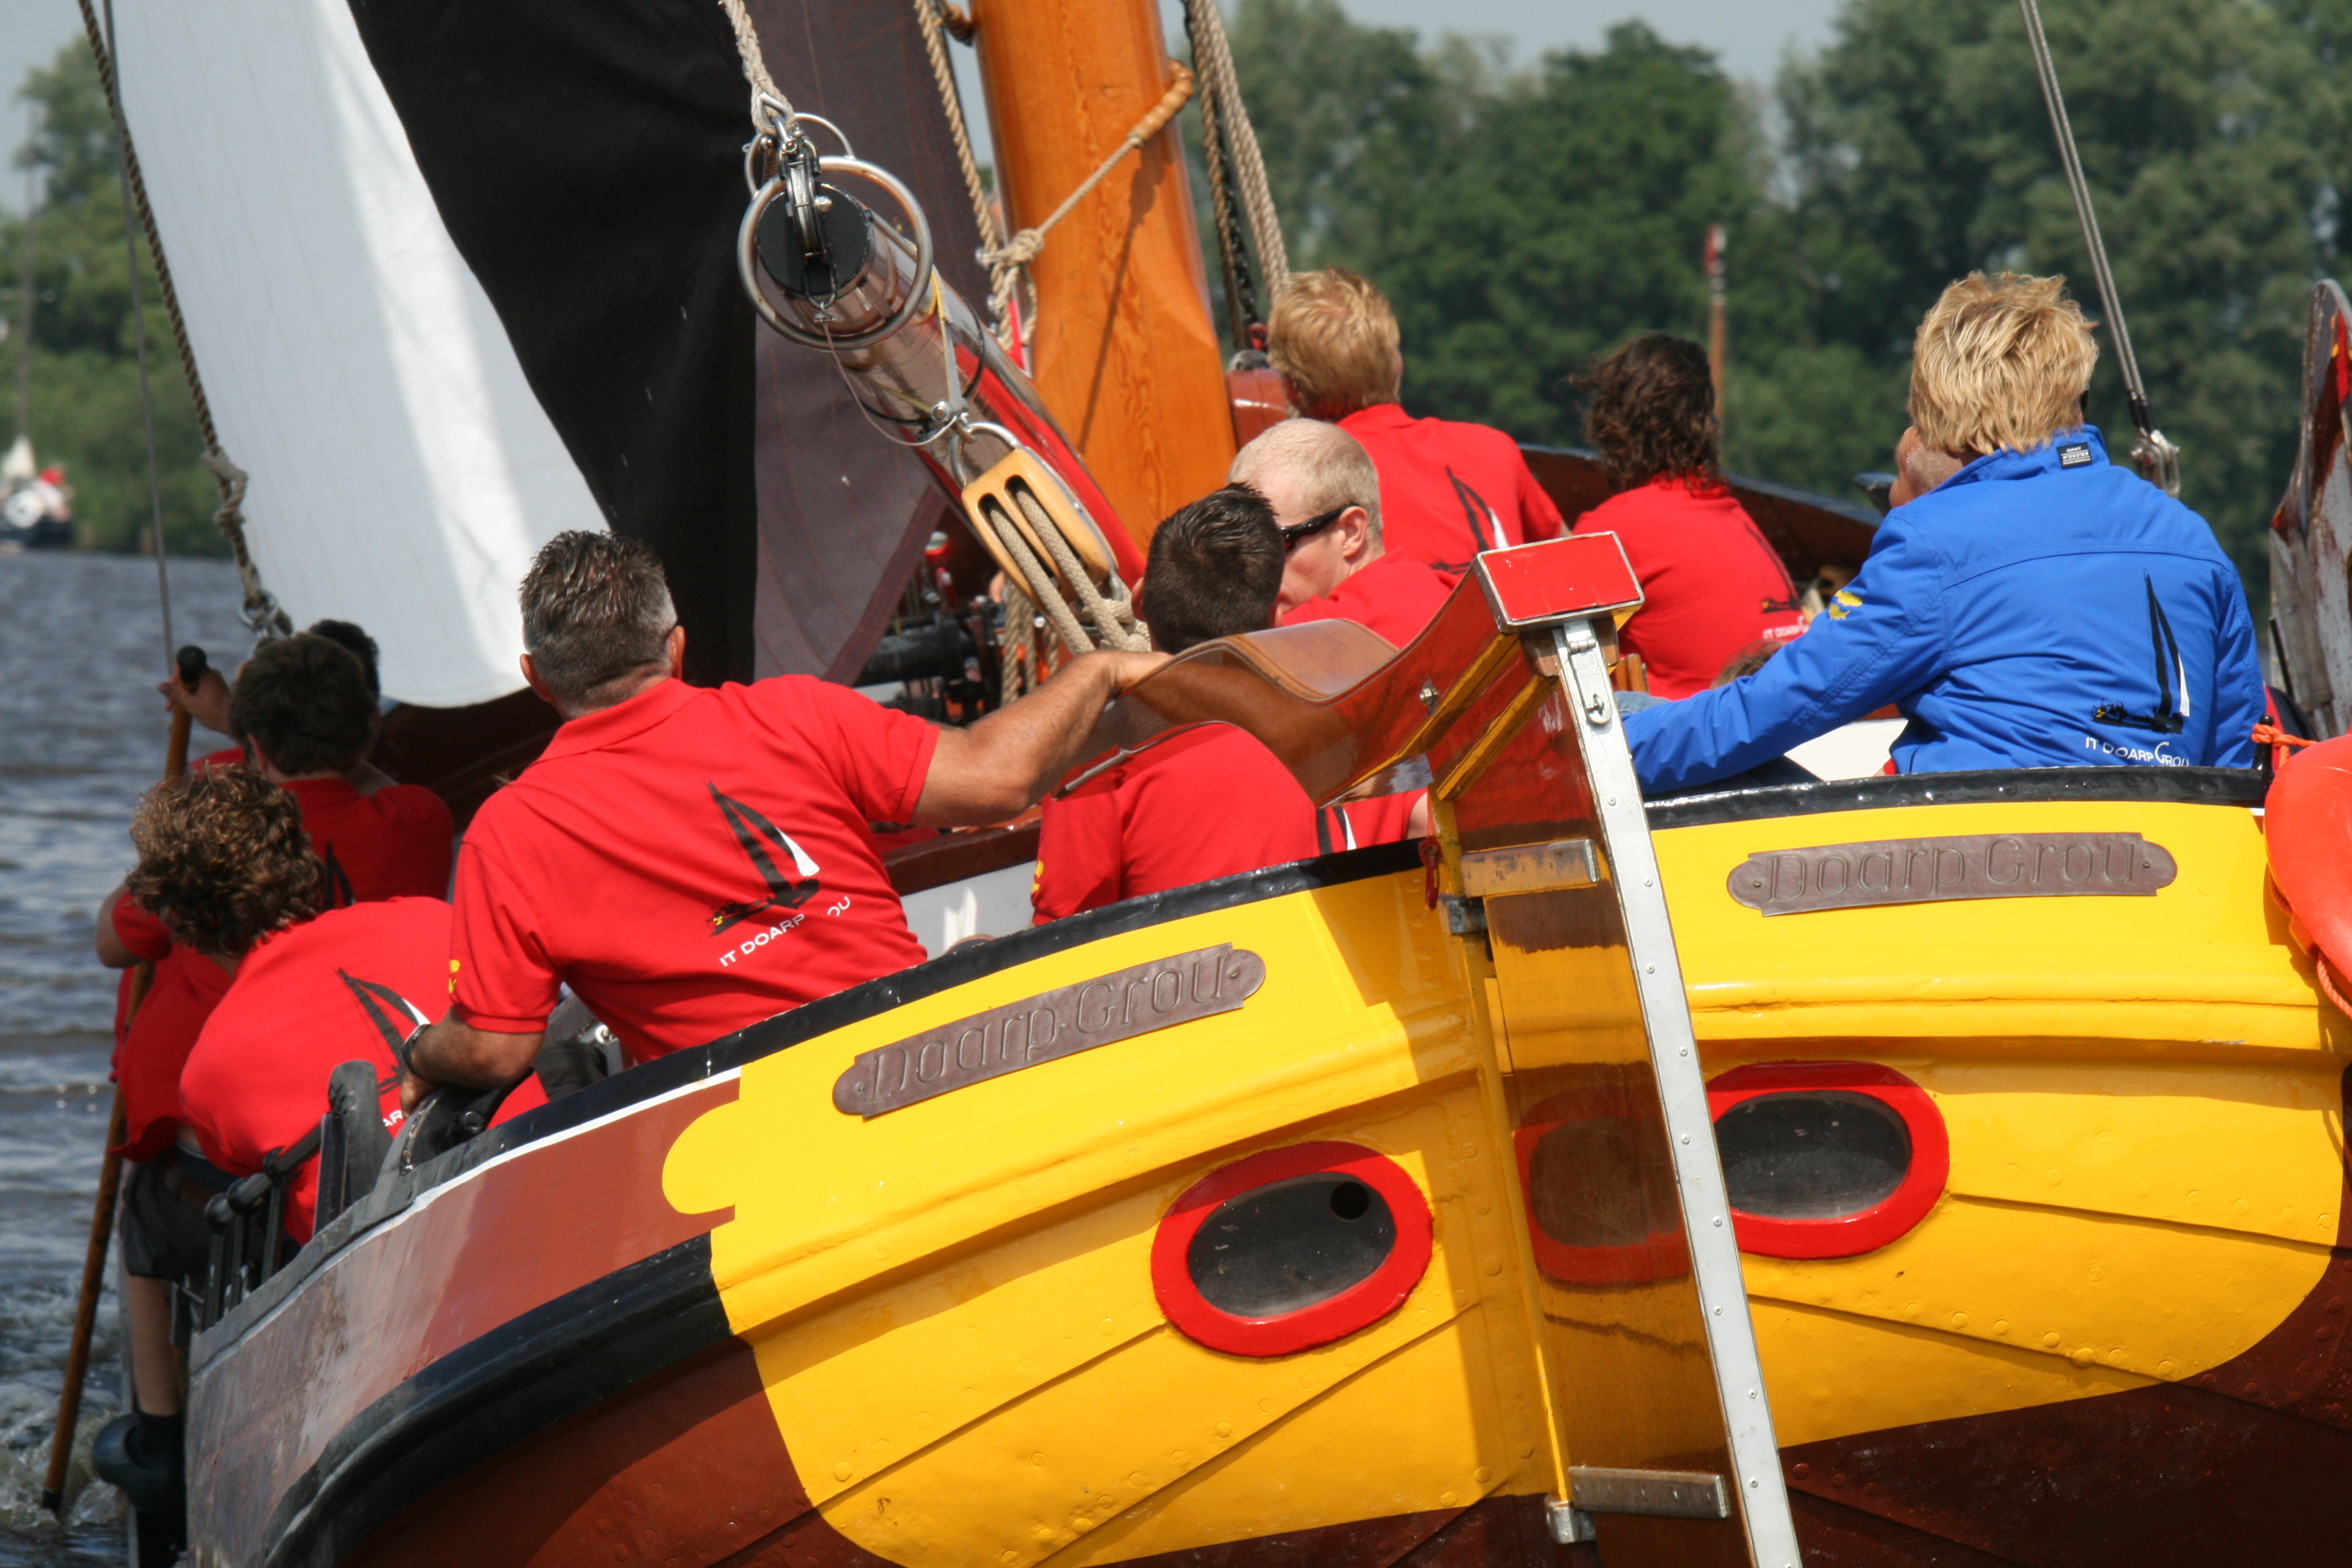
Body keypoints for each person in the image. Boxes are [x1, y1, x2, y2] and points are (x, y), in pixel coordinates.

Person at [399, 531, 1165, 1106]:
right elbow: (1000, 781)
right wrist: (1100, 670)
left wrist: (422, 1053)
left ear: (536, 680)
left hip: (756, 1136)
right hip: (924, 1069)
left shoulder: (509, 832)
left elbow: (498, 1048)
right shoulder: (793, 712)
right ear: (676, 647)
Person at [1625, 272, 2266, 792]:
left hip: (1974, 871)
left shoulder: (1935, 542)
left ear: (1939, 414)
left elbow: (1773, 709)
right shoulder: (2192, 539)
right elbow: (2233, 761)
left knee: (1635, 726)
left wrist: (1589, 757)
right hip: (2158, 874)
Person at [95, 633, 452, 1171]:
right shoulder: (417, 821)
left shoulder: (214, 833)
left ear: (255, 748)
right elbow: (373, 782)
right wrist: (245, 725)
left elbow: (112, 943)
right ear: (365, 732)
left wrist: (239, 736)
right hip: (372, 1115)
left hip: (207, 1141)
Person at [1031, 488, 1320, 921]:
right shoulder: (1330, 725)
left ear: (1140, 601)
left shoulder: (1096, 762)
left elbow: (1061, 938)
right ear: (1277, 614)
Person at [1267, 269, 1561, 570]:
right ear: (1398, 364)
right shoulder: (1495, 449)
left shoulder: (1303, 481)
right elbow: (1571, 561)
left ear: (1292, 388)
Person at [1567, 334, 1805, 699]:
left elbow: (1564, 671)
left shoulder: (1611, 531)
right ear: (1705, 420)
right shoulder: (1733, 515)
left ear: (1612, 426)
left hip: (1703, 739)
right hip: (1790, 718)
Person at [1230, 418, 1456, 645]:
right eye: (1237, 550)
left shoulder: (1331, 630)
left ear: (1351, 532)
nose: (1253, 572)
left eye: (1274, 543)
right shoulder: (1445, 592)